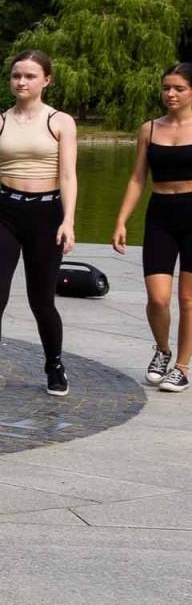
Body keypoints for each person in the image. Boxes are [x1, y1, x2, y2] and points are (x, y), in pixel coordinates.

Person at [0, 50, 78, 403]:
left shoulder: (60, 122)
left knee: (41, 299)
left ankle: (54, 365)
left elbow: (68, 175)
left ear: (47, 80)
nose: (21, 82)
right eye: (16, 75)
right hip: (6, 213)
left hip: (47, 214)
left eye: (30, 76)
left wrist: (68, 220)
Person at [112, 62, 192, 393]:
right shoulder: (149, 129)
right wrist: (121, 220)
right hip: (159, 214)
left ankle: (182, 367)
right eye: (166, 88)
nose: (170, 94)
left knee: (188, 300)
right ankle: (162, 349)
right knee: (158, 298)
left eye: (179, 88)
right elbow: (137, 178)